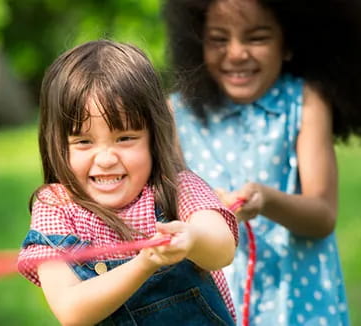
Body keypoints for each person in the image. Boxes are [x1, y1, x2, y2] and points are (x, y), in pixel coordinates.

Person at [163, 0, 361, 325]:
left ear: (289, 43)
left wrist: (265, 200)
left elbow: (322, 215)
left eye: (257, 38)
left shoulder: (305, 103)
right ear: (197, 42)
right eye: (219, 39)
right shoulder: (177, 115)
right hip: (214, 299)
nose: (236, 53)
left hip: (295, 299)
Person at [17, 39, 240, 326]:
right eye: (84, 142)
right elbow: (72, 311)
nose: (106, 158)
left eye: (125, 138)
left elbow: (222, 250)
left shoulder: (177, 188)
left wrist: (192, 238)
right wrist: (145, 263)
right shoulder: (56, 208)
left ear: (153, 137)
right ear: (59, 146)